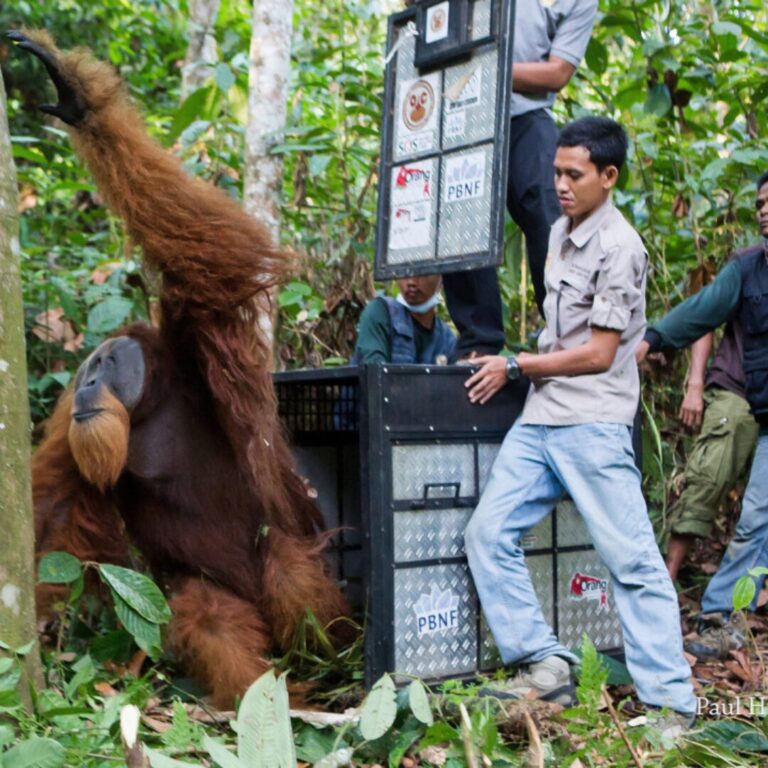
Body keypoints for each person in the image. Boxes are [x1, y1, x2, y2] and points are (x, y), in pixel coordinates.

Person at [463, 116, 696, 734]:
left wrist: (516, 364)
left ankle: (672, 704)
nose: (560, 185)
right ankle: (544, 663)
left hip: (592, 422)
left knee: (633, 563)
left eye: (574, 174)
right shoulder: (563, 230)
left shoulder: (622, 248)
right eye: (556, 172)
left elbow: (598, 354)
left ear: (608, 176)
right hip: (542, 417)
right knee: (487, 534)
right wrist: (527, 369)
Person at [637, 170, 768, 662]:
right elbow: (701, 311)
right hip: (741, 391)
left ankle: (730, 610)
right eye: (759, 202)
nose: (762, 209)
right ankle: (715, 616)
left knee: (759, 516)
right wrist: (652, 339)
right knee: (734, 502)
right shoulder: (746, 268)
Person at [443, 0, 598, 358]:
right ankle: (478, 342)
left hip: (525, 113)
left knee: (551, 211)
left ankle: (566, 335)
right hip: (462, 108)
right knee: (462, 218)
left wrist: (487, 67)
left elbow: (558, 72)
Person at [662, 312, 757, 582]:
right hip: (737, 390)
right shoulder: (747, 270)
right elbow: (706, 315)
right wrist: (695, 383)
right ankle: (666, 581)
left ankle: (737, 593)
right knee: (706, 481)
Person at [351, 274, 457, 364]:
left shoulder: (447, 340)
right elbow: (374, 375)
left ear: (441, 278)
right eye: (404, 271)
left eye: (421, 272)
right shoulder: (381, 313)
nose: (411, 281)